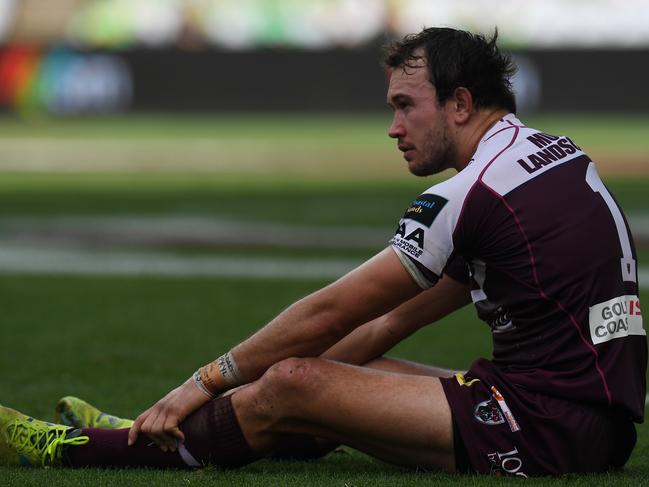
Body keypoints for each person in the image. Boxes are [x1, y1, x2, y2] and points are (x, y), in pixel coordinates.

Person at [1, 27, 645, 477]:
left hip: (545, 429)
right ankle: (167, 431)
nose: (393, 128)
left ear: (460, 104)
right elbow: (389, 322)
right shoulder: (547, 154)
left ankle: (85, 449)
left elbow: (331, 311)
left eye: (404, 106)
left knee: (294, 380)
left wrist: (198, 383)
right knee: (350, 368)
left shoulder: (468, 192)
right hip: (585, 416)